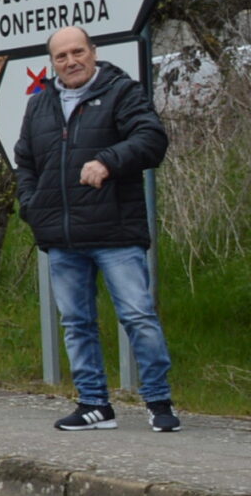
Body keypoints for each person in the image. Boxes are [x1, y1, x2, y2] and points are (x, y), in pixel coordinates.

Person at [14, 24, 178, 433]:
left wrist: (108, 160)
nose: (71, 61)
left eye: (77, 52)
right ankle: (94, 405)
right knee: (76, 323)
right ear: (52, 63)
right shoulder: (40, 104)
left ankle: (159, 402)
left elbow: (151, 138)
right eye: (61, 56)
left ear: (93, 51)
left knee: (138, 316)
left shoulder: (122, 92)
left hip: (115, 232)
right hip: (62, 236)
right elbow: (25, 162)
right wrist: (32, 207)